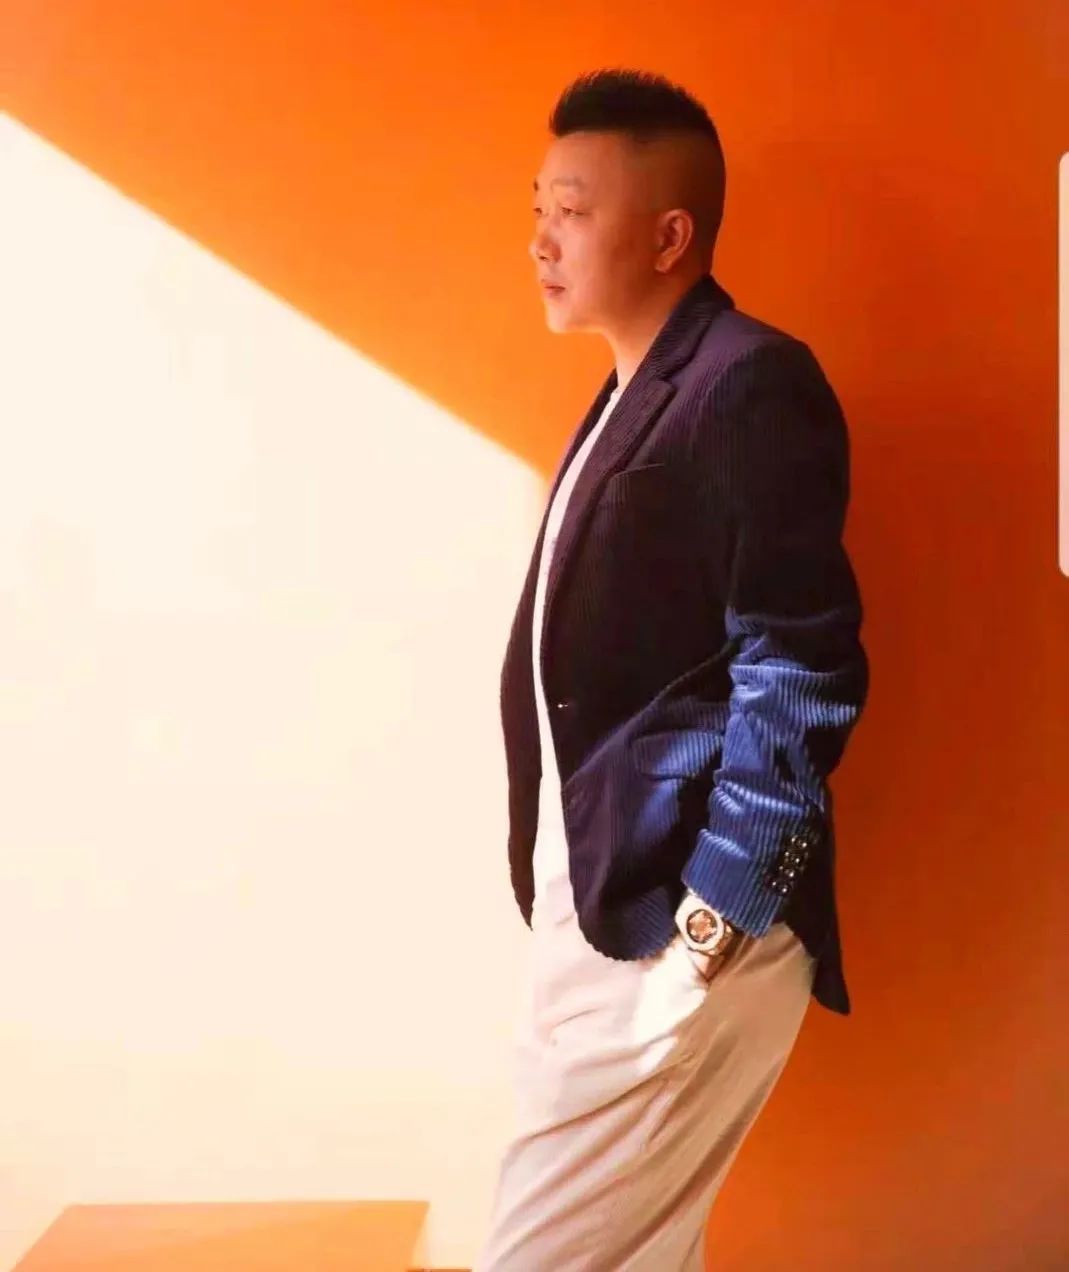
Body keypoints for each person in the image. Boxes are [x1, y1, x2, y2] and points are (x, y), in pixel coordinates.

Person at [475, 68, 869, 1271]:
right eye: (537, 208)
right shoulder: (627, 395)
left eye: (572, 211)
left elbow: (798, 662)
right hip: (601, 906)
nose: (541, 240)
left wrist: (712, 924)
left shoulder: (747, 381)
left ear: (668, 236)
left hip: (676, 924)